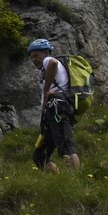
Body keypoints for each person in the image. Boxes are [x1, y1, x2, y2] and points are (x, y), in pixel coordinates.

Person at [29, 38, 80, 172]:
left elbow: (53, 63)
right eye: (31, 57)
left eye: (36, 55)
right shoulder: (45, 71)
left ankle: (76, 180)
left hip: (58, 107)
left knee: (66, 146)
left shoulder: (48, 60)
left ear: (46, 52)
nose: (34, 59)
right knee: (39, 155)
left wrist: (46, 91)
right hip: (51, 112)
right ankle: (59, 181)